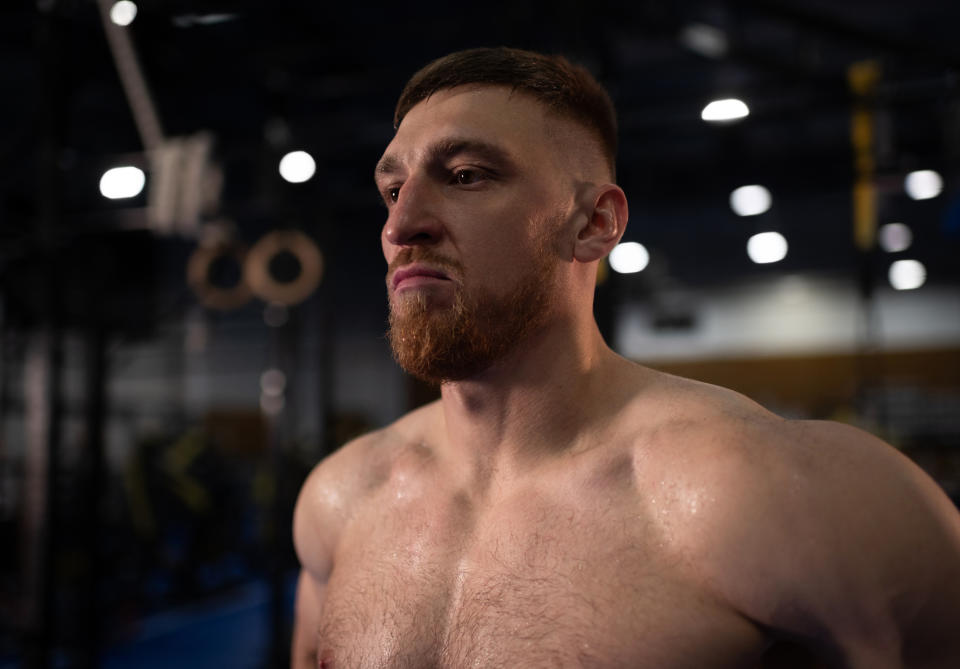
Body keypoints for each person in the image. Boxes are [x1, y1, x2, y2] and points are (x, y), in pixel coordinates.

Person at [291, 47, 960, 668]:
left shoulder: (763, 495)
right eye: (391, 189)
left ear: (594, 225)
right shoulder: (341, 499)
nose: (400, 225)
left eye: (465, 175)